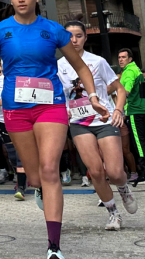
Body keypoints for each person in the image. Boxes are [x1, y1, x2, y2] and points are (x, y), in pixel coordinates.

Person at [0, 0, 108, 259]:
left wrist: (93, 96)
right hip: (15, 109)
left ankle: (54, 247)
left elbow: (80, 67)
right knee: (36, 175)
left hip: (50, 106)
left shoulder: (53, 30)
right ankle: (40, 188)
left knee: (50, 169)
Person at [56, 21, 137, 231]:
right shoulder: (58, 66)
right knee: (96, 171)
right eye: (69, 36)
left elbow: (119, 89)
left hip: (103, 120)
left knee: (116, 172)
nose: (73, 40)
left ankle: (123, 187)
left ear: (85, 38)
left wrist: (118, 111)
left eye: (78, 36)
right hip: (78, 123)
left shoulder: (97, 61)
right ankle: (113, 214)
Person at [117, 48, 145, 183]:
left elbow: (127, 91)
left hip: (135, 110)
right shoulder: (135, 70)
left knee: (138, 143)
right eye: (119, 57)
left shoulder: (130, 71)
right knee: (141, 142)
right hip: (141, 109)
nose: (120, 59)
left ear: (130, 59)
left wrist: (117, 96)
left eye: (123, 57)